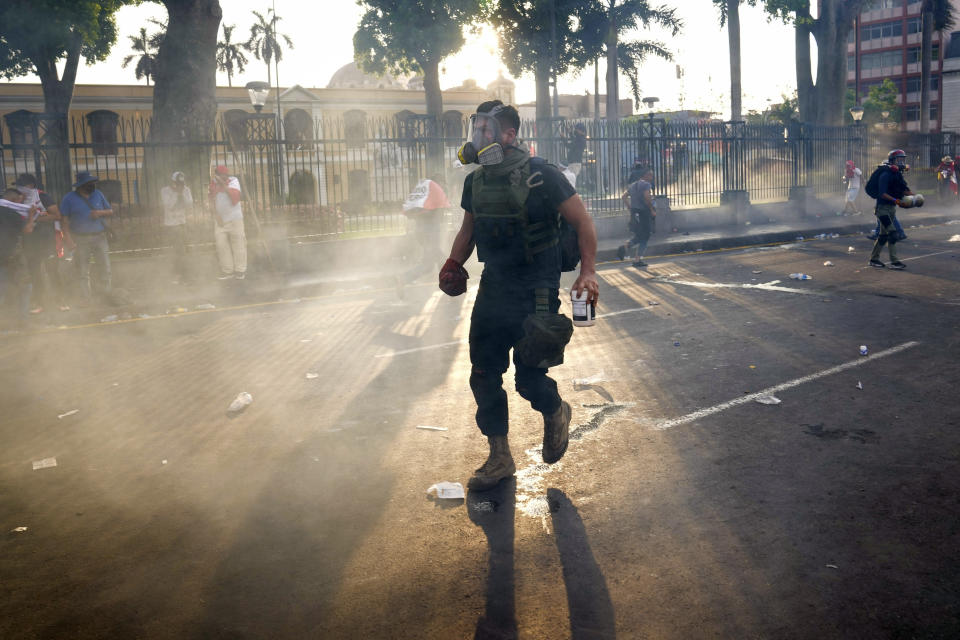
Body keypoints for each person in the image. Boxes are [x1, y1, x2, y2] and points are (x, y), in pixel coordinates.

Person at [442, 100, 599, 491]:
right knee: (483, 373)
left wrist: (589, 272)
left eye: (486, 129)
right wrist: (453, 262)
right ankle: (499, 456)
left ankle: (556, 410)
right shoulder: (475, 180)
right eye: (476, 127)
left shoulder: (542, 174)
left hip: (537, 287)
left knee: (529, 377)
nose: (479, 136)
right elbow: (469, 228)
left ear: (509, 135)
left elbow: (582, 221)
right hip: (494, 285)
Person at [16, 174, 70, 313]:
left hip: (47, 241)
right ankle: (39, 303)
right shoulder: (18, 199)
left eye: (23, 185)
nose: (20, 188)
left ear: (31, 186)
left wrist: (37, 218)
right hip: (30, 242)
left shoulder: (43, 197)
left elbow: (57, 215)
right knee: (35, 273)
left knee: (52, 271)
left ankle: (61, 301)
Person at [60, 171, 113, 304]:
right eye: (89, 183)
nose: (92, 185)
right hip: (80, 239)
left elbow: (110, 211)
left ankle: (106, 294)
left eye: (93, 183)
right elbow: (64, 221)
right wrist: (68, 239)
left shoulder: (98, 194)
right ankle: (86, 298)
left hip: (99, 237)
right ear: (81, 185)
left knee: (105, 267)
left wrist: (99, 213)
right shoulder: (69, 198)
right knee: (83, 270)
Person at [395, 175, 451, 298]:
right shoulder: (432, 196)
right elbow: (434, 211)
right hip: (430, 233)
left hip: (422, 233)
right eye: (441, 182)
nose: (443, 185)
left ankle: (404, 279)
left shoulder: (423, 197)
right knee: (438, 258)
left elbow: (413, 213)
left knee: (429, 264)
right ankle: (452, 282)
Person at [868, 149, 913, 270]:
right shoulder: (885, 174)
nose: (902, 162)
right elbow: (882, 193)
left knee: (883, 236)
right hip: (882, 209)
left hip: (891, 209)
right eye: (899, 159)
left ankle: (874, 259)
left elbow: (903, 189)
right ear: (892, 160)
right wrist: (897, 201)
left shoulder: (897, 174)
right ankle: (894, 262)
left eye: (903, 159)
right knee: (893, 234)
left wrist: (914, 198)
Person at [0, 187, 37, 325]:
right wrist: (31, 215)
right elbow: (28, 230)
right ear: (14, 200)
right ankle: (23, 320)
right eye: (20, 201)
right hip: (13, 256)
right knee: (25, 286)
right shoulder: (12, 214)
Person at [208, 165, 247, 280]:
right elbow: (210, 200)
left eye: (224, 175)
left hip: (235, 219)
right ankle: (227, 271)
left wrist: (223, 185)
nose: (222, 177)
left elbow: (235, 199)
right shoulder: (213, 183)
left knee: (239, 244)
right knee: (221, 246)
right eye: (220, 175)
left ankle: (240, 270)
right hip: (220, 221)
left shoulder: (234, 181)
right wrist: (216, 215)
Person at [617, 166, 656, 268]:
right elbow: (647, 197)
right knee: (646, 235)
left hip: (635, 213)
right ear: (646, 175)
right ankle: (634, 256)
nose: (652, 177)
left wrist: (630, 207)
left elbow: (623, 196)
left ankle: (629, 250)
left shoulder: (633, 185)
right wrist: (652, 209)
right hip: (644, 213)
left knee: (640, 235)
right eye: (650, 175)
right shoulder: (646, 185)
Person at [161, 171, 194, 284]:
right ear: (173, 182)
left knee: (182, 250)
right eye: (177, 183)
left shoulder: (186, 190)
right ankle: (178, 274)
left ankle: (181, 274)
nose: (180, 186)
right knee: (178, 250)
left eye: (182, 184)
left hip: (182, 223)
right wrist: (177, 194)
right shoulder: (165, 191)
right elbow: (169, 206)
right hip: (171, 224)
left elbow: (189, 204)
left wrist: (181, 193)